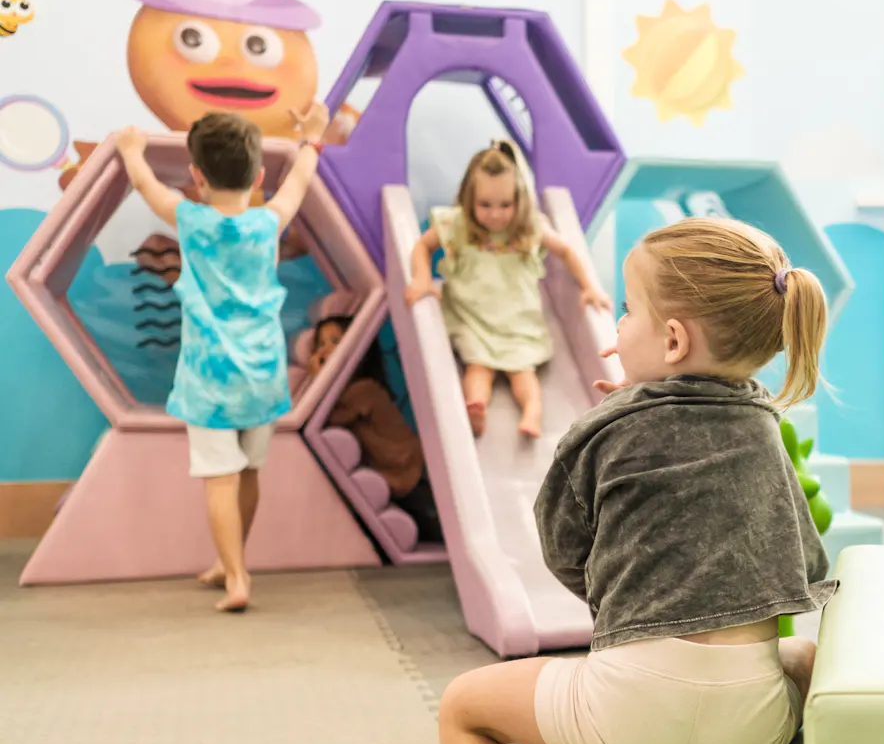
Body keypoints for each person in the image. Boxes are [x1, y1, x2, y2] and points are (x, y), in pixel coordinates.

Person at [427, 217, 836, 744]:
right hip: (754, 724)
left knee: (464, 707)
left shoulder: (605, 424)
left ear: (672, 339)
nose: (617, 323)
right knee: (802, 657)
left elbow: (561, 545)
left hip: (626, 714)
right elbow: (801, 566)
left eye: (627, 308)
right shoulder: (766, 430)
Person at [116, 104, 329, 612]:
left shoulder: (190, 220)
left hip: (210, 380)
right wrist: (313, 136)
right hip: (262, 374)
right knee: (249, 473)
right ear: (258, 176)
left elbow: (147, 187)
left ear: (196, 175)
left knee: (220, 479)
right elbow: (299, 178)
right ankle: (231, 563)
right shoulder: (267, 222)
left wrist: (131, 150)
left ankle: (236, 575)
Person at [404, 139, 611, 440]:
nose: (496, 214)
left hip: (516, 318)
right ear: (469, 198)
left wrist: (590, 286)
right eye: (485, 205)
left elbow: (566, 251)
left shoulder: (528, 227)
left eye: (505, 204)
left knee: (522, 370)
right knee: (477, 364)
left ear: (520, 199)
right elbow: (422, 246)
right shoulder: (458, 224)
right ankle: (476, 406)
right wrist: (421, 279)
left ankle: (532, 410)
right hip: (473, 315)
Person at [307, 316, 442, 545]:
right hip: (399, 472)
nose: (326, 350)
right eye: (320, 344)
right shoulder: (349, 391)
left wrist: (317, 379)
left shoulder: (363, 390)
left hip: (409, 472)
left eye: (335, 341)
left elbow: (332, 419)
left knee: (439, 528)